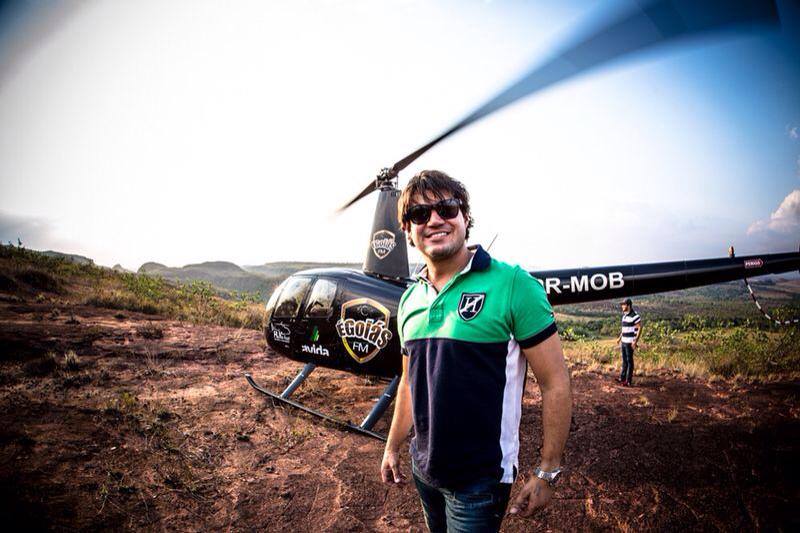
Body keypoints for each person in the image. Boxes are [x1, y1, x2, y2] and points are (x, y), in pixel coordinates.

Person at [379, 170, 573, 532]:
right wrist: (392, 446)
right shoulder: (410, 300)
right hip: (424, 470)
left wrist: (547, 471)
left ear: (465, 217)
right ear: (407, 230)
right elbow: (408, 383)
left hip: (480, 481)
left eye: (447, 208)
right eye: (419, 214)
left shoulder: (514, 284)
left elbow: (555, 383)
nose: (434, 220)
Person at [615, 298, 642, 387]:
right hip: (623, 341)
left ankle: (628, 381)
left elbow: (639, 328)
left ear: (628, 305)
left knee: (629, 361)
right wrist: (619, 338)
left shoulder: (635, 316)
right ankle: (622, 378)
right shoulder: (624, 316)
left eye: (624, 305)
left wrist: (635, 341)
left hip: (630, 342)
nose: (622, 306)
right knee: (624, 361)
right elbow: (624, 329)